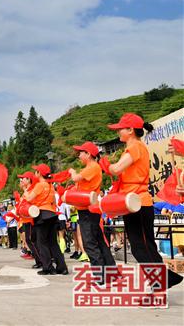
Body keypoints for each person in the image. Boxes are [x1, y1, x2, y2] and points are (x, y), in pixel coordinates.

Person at [107, 113, 183, 289]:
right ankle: (165, 280)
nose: (118, 132)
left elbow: (117, 169)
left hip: (138, 203)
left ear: (131, 130)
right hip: (132, 203)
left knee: (143, 248)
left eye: (120, 129)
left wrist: (107, 166)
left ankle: (162, 283)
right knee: (141, 247)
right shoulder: (135, 147)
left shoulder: (135, 147)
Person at [69, 141, 115, 282]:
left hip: (88, 210)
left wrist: (72, 172)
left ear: (88, 154)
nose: (79, 156)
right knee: (99, 242)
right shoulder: (93, 167)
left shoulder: (92, 167)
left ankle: (100, 276)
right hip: (90, 209)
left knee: (90, 243)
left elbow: (76, 178)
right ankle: (111, 273)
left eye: (80, 153)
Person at [23, 164, 68, 275]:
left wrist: (25, 190)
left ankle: (48, 268)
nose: (34, 174)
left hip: (42, 215)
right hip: (52, 215)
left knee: (41, 242)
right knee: (53, 243)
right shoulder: (51, 186)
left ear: (39, 173)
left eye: (36, 171)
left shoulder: (40, 185)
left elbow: (29, 198)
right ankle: (62, 267)